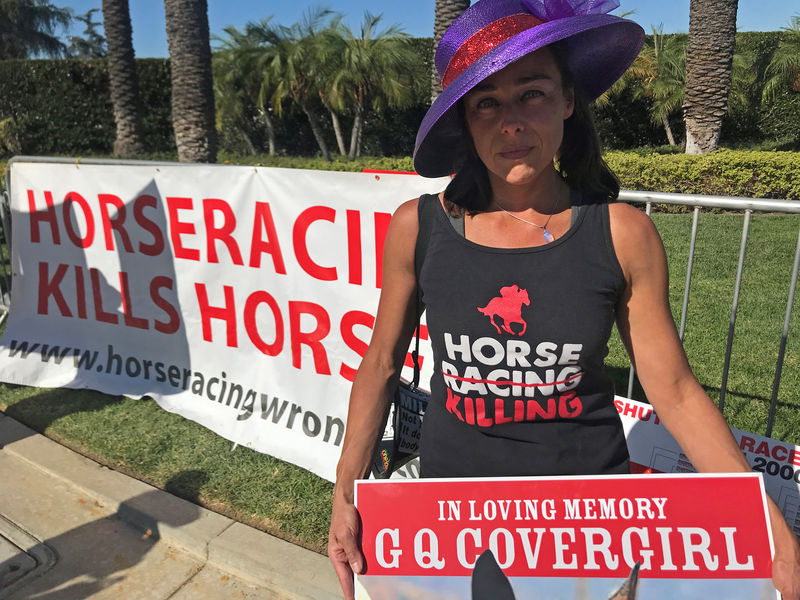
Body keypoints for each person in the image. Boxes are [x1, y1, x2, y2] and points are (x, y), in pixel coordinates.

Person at [328, 0, 800, 598]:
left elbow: (675, 391)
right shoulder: (418, 227)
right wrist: (345, 489)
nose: (511, 122)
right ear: (466, 123)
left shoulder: (623, 233)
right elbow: (379, 364)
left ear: (568, 100)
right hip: (450, 519)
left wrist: (766, 519)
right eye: (487, 103)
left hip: (589, 524)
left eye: (532, 93)